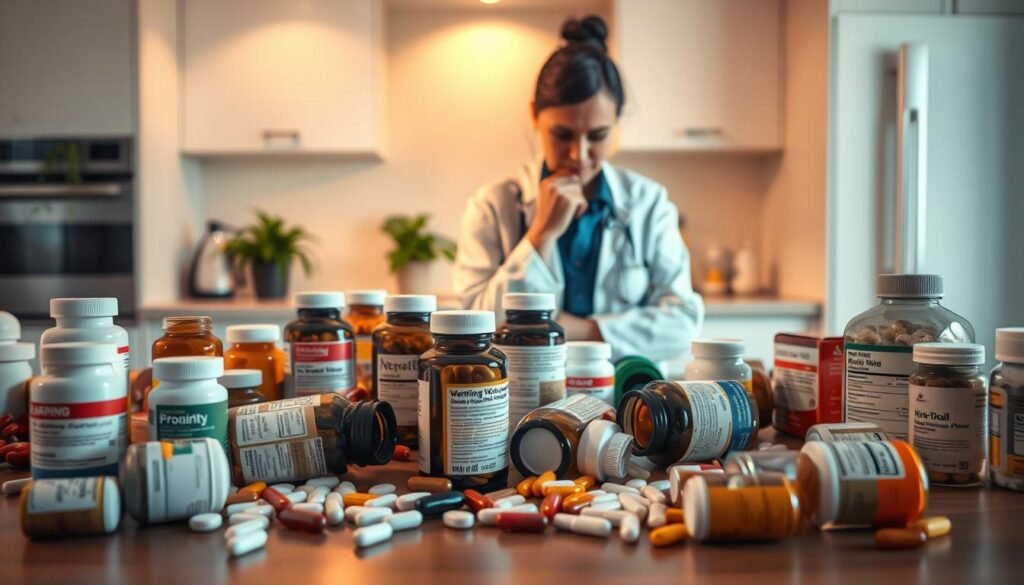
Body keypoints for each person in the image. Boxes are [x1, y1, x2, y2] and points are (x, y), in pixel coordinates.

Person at [453, 15, 703, 363]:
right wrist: (540, 236)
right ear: (534, 117)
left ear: (617, 122)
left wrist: (574, 330)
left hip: (624, 397)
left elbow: (684, 324)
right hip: (519, 399)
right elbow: (469, 331)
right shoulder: (492, 205)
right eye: (563, 134)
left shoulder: (649, 203)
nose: (579, 154)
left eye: (598, 136)